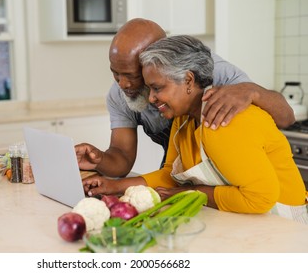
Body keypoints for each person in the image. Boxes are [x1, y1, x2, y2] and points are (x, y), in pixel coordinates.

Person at [82, 35, 308, 223]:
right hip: (246, 217)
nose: (150, 98)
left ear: (189, 81)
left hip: (283, 223)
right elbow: (170, 175)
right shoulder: (183, 120)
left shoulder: (222, 120)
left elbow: (260, 199)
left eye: (157, 88)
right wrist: (114, 186)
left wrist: (188, 193)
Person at [75, 18, 295, 178]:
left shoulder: (213, 71)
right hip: (181, 171)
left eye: (132, 75)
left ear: (156, 61)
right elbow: (122, 156)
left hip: (238, 175)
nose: (122, 84)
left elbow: (286, 118)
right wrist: (99, 159)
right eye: (115, 73)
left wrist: (252, 91)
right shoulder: (119, 94)